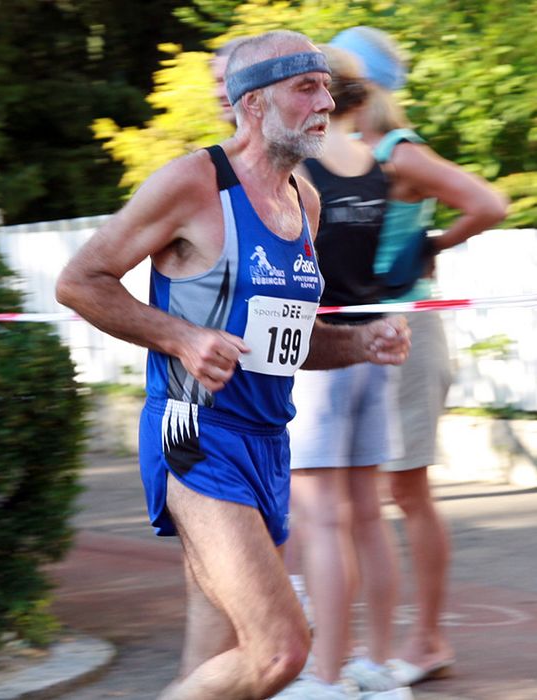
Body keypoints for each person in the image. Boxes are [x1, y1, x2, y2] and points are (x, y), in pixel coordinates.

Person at [57, 30, 411, 700]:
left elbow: (289, 342)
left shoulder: (304, 201)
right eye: (305, 87)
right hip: (194, 434)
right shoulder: (193, 183)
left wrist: (362, 343)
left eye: (326, 87)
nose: (325, 102)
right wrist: (181, 338)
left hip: (268, 443)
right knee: (279, 651)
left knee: (214, 664)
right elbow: (80, 282)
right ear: (253, 104)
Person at [332, 25, 508, 685]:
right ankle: (358, 641)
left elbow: (488, 203)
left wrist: (430, 246)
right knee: (352, 493)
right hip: (356, 334)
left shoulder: (397, 153)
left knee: (404, 490)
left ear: (361, 84)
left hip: (406, 331)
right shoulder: (345, 154)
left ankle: (427, 639)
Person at [275, 45, 410, 700]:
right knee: (367, 516)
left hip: (322, 350)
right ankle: (375, 667)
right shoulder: (375, 164)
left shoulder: (299, 167)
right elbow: (396, 252)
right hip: (373, 347)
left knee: (321, 519)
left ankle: (325, 676)